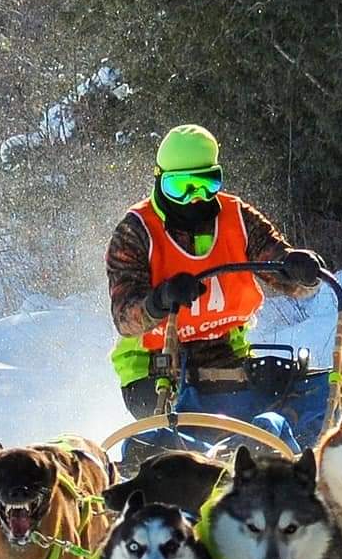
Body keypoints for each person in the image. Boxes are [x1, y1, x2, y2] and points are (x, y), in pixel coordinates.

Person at [106, 123, 325, 419]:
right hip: (154, 367)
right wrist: (161, 299)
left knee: (294, 411)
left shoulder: (237, 218)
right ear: (159, 181)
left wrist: (301, 269)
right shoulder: (136, 232)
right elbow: (124, 317)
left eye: (206, 185)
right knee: (188, 430)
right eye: (180, 188)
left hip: (225, 358)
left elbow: (286, 273)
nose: (195, 198)